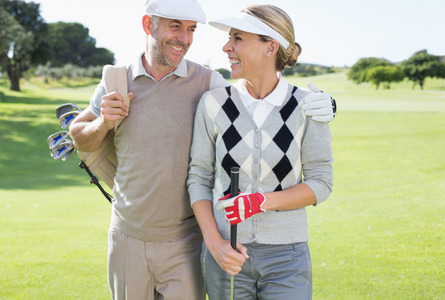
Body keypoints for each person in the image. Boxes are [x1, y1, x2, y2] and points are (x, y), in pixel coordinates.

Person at [70, 0, 335, 299]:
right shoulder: (118, 81)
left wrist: (327, 106)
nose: (184, 38)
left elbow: (261, 94)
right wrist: (104, 122)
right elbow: (80, 137)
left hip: (190, 241)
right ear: (148, 26)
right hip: (131, 237)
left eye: (191, 29)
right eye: (175, 27)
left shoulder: (208, 83)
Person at [187, 4, 334, 300]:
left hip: (287, 257)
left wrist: (261, 202)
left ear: (270, 47)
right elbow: (199, 178)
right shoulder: (213, 103)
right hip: (226, 255)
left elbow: (321, 182)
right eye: (230, 38)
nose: (227, 47)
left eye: (238, 38)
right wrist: (214, 243)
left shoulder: (308, 106)